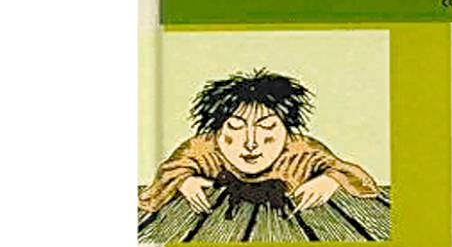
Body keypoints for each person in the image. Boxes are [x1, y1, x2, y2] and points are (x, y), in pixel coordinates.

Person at [139, 67, 378, 214]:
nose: (251, 143)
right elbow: (161, 182)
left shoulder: (302, 150)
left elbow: (362, 182)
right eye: (235, 127)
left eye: (267, 127)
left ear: (287, 130)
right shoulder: (202, 148)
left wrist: (330, 179)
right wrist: (184, 181)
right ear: (216, 130)